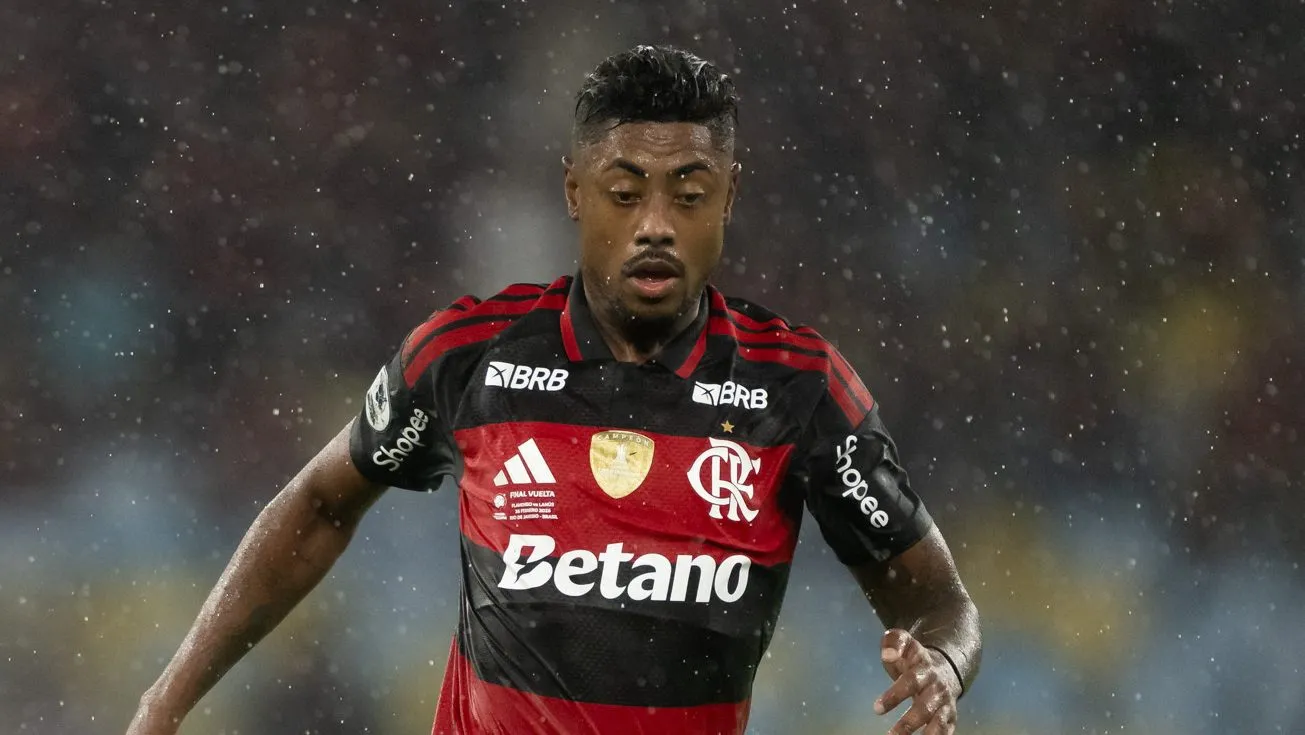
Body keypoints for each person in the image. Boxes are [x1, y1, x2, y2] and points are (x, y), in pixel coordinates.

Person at [127, 44, 982, 735]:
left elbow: (937, 599)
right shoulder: (468, 356)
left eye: (688, 194)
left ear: (728, 197)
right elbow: (319, 505)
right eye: (623, 191)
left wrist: (941, 666)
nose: (653, 223)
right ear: (574, 191)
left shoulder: (797, 387)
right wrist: (160, 707)